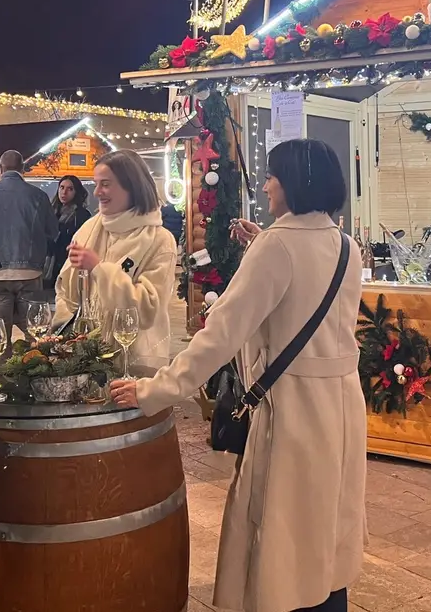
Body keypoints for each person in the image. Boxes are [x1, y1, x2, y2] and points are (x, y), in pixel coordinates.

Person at [110, 139, 365, 612]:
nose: (266, 185)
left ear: (294, 183)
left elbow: (220, 335)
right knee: (327, 525)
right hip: (342, 407)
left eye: (273, 176)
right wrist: (261, 247)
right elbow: (311, 305)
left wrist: (157, 390)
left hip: (292, 410)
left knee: (283, 532)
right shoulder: (346, 246)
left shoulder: (277, 245)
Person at [52, 149, 175, 363]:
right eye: (96, 183)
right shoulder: (88, 229)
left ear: (132, 187)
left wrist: (99, 269)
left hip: (135, 363)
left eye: (106, 184)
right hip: (84, 361)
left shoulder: (160, 240)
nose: (97, 192)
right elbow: (65, 293)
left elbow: (147, 309)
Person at [0, 149, 57, 351]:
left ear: (0, 168)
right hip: (31, 272)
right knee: (37, 334)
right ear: (22, 169)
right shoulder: (39, 197)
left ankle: (1, 377)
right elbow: (53, 232)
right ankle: (35, 376)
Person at [45, 175, 91, 289]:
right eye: (61, 187)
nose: (64, 192)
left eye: (70, 189)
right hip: (49, 264)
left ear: (76, 192)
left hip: (69, 264)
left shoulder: (81, 215)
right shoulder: (51, 212)